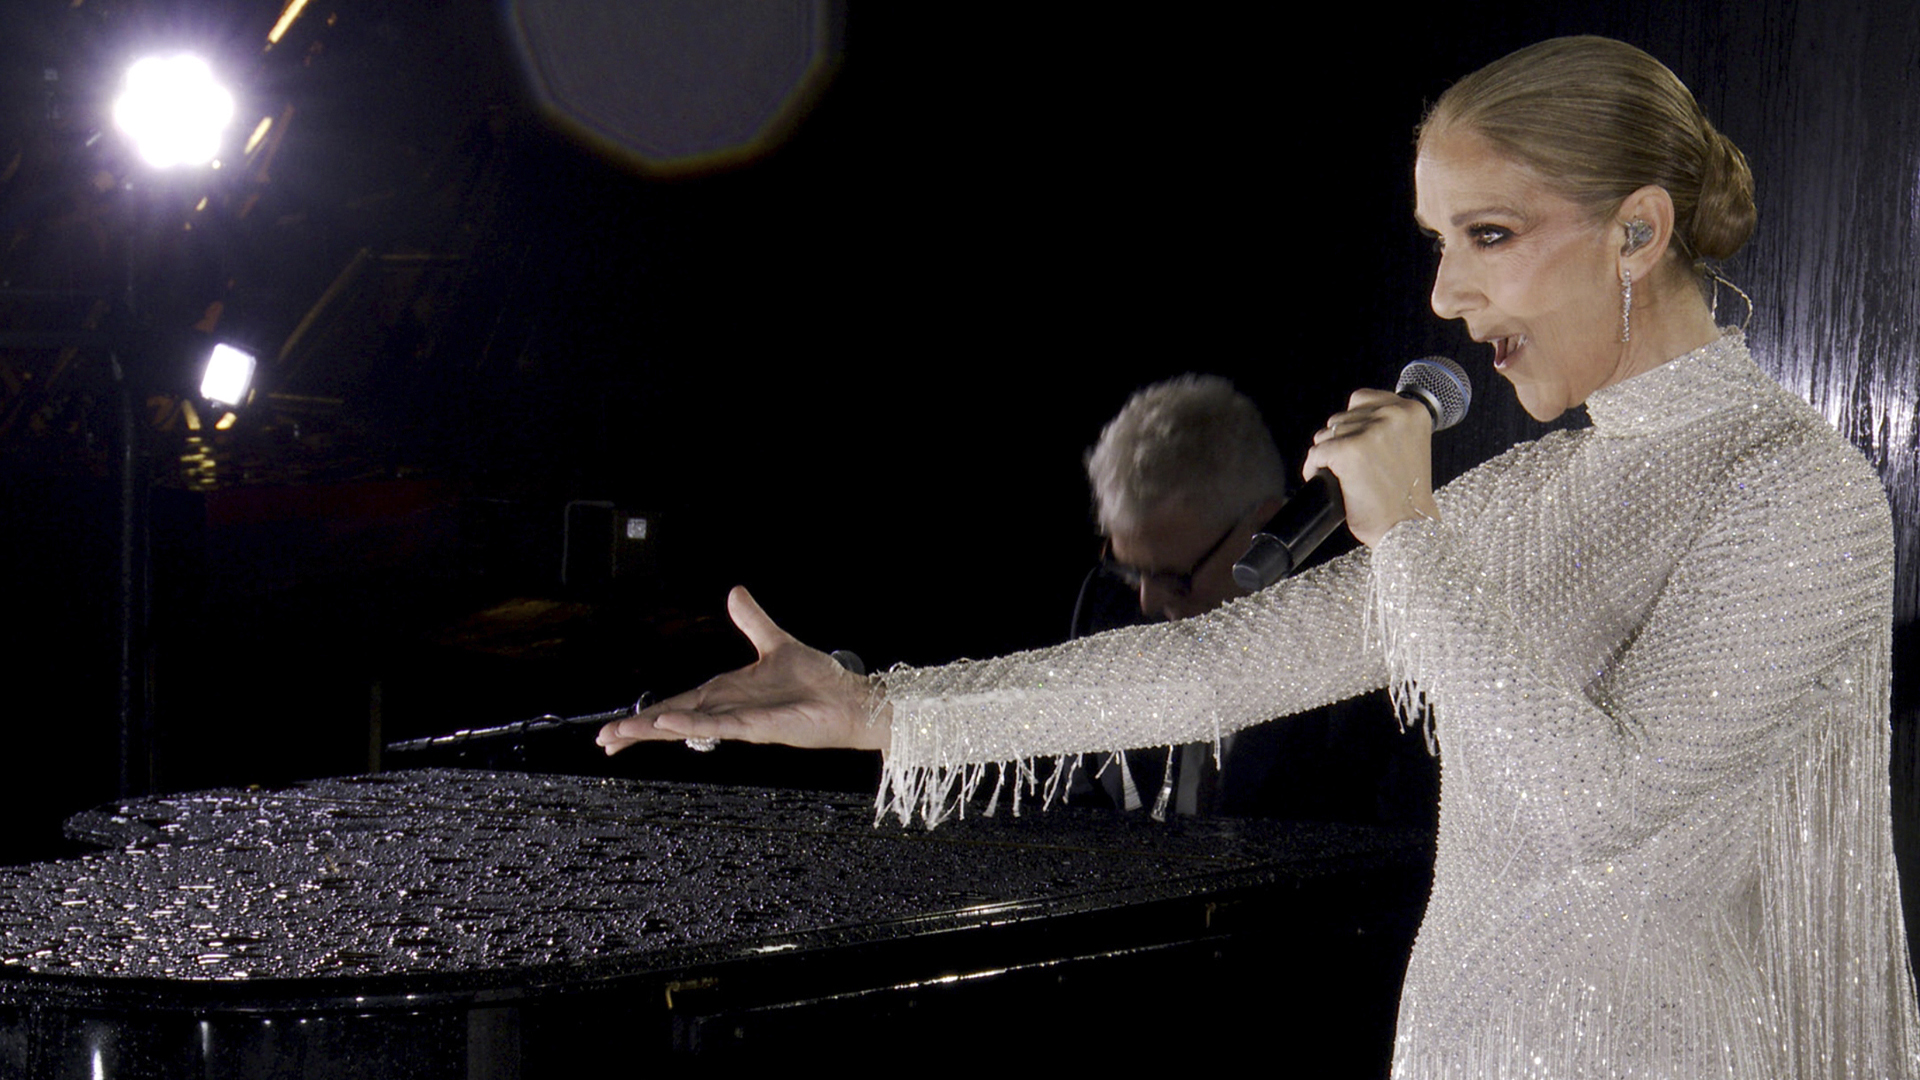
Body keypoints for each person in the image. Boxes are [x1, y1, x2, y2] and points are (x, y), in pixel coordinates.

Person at [600, 37, 1920, 1077]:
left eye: (1492, 237)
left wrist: (1408, 531)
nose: (1445, 297)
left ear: (1637, 230)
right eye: (1437, 243)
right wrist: (879, 709)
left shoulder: (1796, 496)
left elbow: (1605, 817)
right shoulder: (1542, 490)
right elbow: (1221, 666)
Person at [1076, 373, 1435, 825]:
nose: (1146, 601)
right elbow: (1080, 801)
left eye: (1175, 577)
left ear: (1262, 527)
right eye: (1132, 571)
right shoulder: (1105, 605)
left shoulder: (1364, 640)